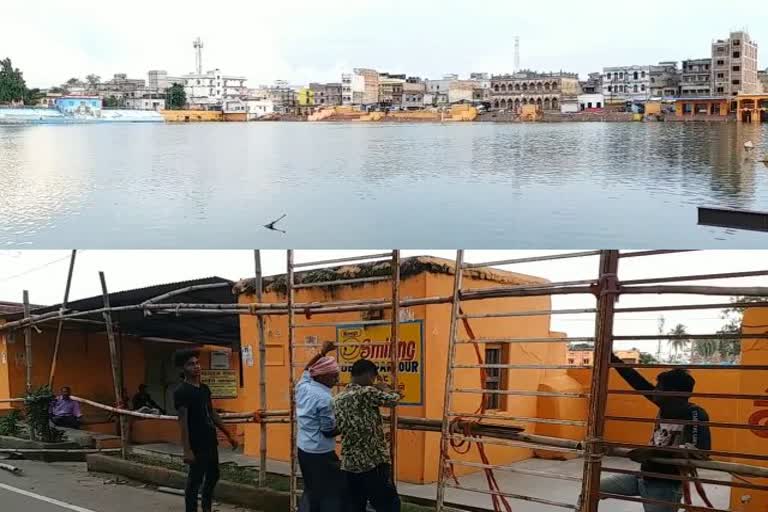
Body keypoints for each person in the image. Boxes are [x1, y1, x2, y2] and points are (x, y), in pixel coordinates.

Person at [600, 352, 711, 512]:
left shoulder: (695, 414)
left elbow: (701, 452)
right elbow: (636, 381)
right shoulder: (664, 406)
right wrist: (612, 358)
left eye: (659, 387)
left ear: (673, 393)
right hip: (642, 476)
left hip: (665, 485)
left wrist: (652, 452)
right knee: (591, 489)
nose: (654, 391)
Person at [333, 359, 403, 512]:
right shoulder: (367, 392)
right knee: (388, 504)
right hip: (373, 462)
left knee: (355, 505)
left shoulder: (337, 399)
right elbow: (394, 400)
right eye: (373, 377)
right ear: (368, 374)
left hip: (350, 463)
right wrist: (385, 389)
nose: (373, 381)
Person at [174, 349, 239, 512]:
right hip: (196, 443)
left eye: (197, 363)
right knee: (195, 480)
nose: (196, 367)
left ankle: (207, 507)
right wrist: (187, 450)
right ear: (183, 369)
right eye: (191, 364)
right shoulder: (181, 391)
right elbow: (183, 422)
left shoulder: (204, 388)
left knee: (213, 475)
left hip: (210, 439)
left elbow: (211, 412)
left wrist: (228, 433)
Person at [295, 341, 344, 512]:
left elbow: (307, 368)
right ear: (322, 376)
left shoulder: (303, 385)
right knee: (330, 492)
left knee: (312, 488)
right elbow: (328, 431)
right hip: (321, 453)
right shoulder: (324, 399)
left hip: (304, 449)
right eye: (333, 376)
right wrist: (348, 424)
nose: (337, 380)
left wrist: (322, 352)